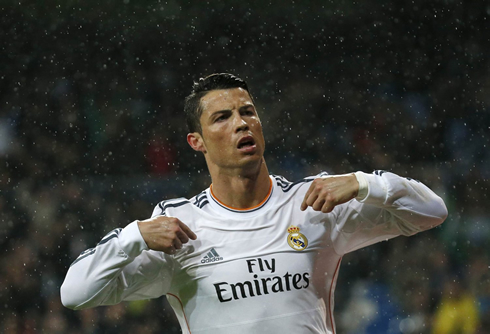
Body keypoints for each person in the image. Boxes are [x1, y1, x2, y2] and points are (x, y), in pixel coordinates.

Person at [60, 73, 448, 334]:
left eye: (248, 112)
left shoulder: (313, 202)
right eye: (222, 117)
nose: (241, 123)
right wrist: (134, 236)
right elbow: (75, 294)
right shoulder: (180, 228)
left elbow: (433, 212)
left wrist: (365, 183)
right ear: (196, 141)